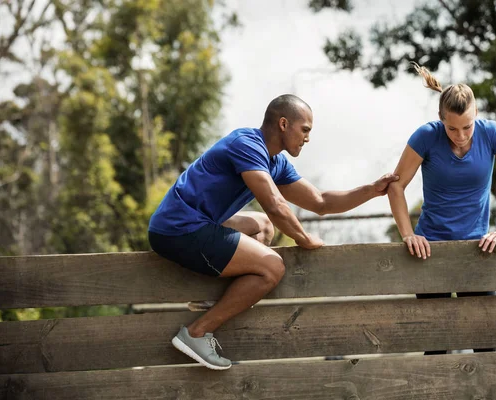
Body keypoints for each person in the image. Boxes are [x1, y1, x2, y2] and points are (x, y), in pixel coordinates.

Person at [148, 94, 399, 370]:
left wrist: (371, 190)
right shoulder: (246, 145)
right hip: (178, 228)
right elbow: (275, 205)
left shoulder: (275, 162)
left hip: (195, 225)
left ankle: (223, 297)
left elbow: (320, 202)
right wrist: (303, 238)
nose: (307, 138)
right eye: (305, 130)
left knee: (262, 227)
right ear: (283, 124)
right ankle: (196, 332)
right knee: (272, 268)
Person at [387, 63, 496, 354]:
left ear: (476, 114)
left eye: (467, 126)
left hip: (478, 249)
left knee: (486, 343)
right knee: (437, 346)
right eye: (452, 128)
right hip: (430, 251)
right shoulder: (426, 137)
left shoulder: (492, 134)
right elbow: (395, 185)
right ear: (441, 120)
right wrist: (408, 235)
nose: (461, 135)